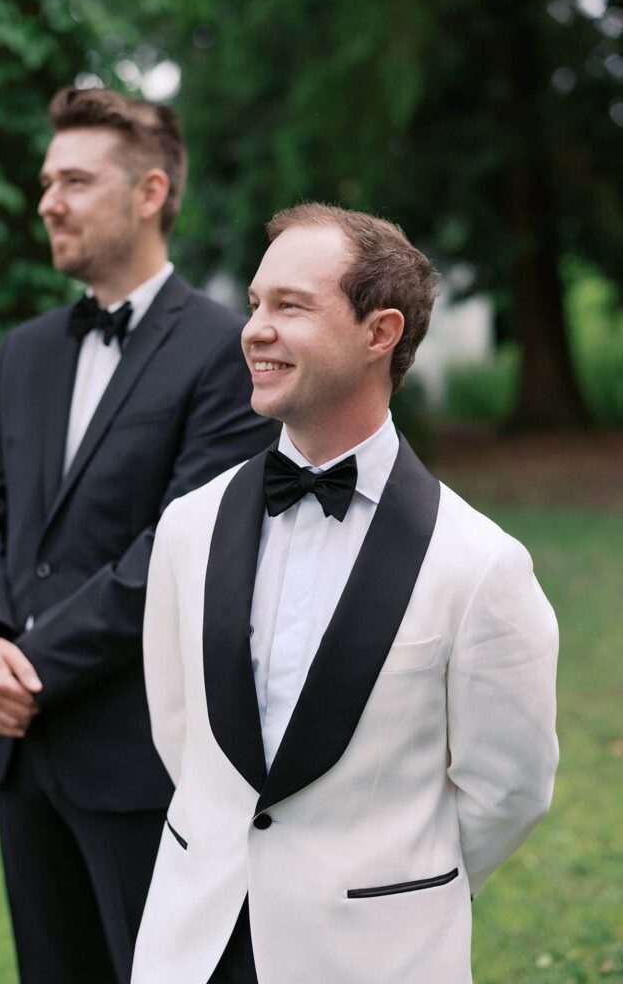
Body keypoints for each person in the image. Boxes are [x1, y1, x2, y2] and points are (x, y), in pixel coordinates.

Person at [132, 203, 560, 984]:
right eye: (256, 303)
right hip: (195, 943)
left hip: (373, 955)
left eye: (291, 306)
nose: (255, 328)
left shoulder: (480, 564)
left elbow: (511, 788)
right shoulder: (188, 528)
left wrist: (387, 886)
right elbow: (179, 730)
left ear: (380, 332)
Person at [0, 86, 275, 984]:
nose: (46, 200)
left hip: (145, 753)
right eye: (48, 181)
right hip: (21, 758)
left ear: (150, 192)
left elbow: (183, 548)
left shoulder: (227, 349)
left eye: (75, 181)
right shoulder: (25, 352)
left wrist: (31, 664)